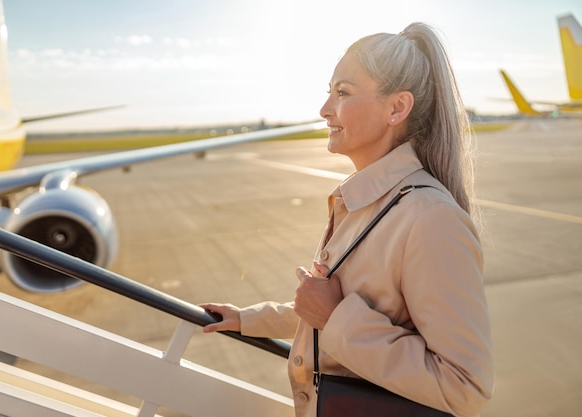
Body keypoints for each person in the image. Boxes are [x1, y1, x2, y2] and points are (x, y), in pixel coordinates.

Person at [201, 22, 494, 417]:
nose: (325, 110)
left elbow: (466, 387)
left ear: (397, 108)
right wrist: (248, 319)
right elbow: (342, 307)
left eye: (343, 93)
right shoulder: (366, 201)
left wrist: (337, 317)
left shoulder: (430, 218)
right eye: (329, 92)